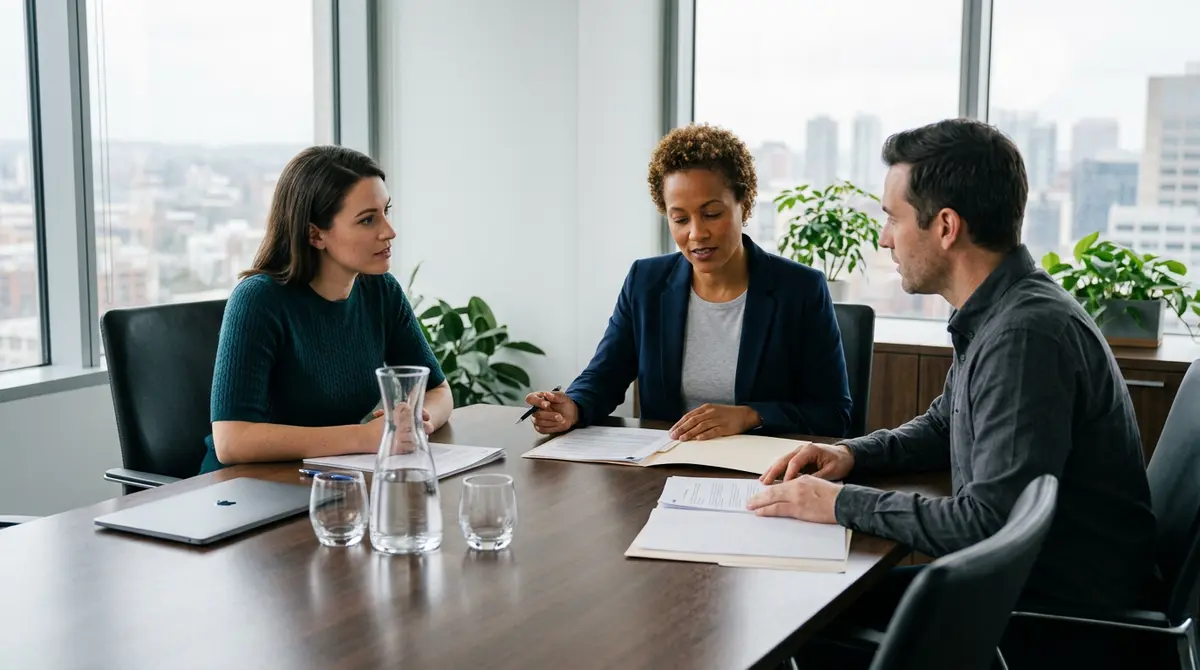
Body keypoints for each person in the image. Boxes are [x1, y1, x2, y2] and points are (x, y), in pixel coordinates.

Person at [746, 119, 1159, 667]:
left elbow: (986, 524)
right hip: (1035, 591)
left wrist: (840, 504)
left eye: (892, 218)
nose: (883, 237)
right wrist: (849, 455)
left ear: (945, 226)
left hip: (1058, 620)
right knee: (814, 605)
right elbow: (945, 424)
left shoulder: (1023, 336)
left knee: (801, 623)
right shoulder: (1002, 311)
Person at [525, 123, 852, 440]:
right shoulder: (646, 282)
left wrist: (751, 415)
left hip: (760, 474)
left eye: (712, 214)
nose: (696, 233)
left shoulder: (800, 289)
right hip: (665, 467)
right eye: (680, 218)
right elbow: (604, 376)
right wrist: (573, 406)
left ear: (746, 205)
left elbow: (834, 415)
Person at [199, 145, 452, 473]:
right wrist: (363, 437)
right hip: (245, 492)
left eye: (386, 211)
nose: (389, 231)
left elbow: (438, 390)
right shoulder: (258, 300)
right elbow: (232, 440)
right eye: (367, 220)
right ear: (315, 234)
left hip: (328, 479)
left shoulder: (381, 291)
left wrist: (418, 421)